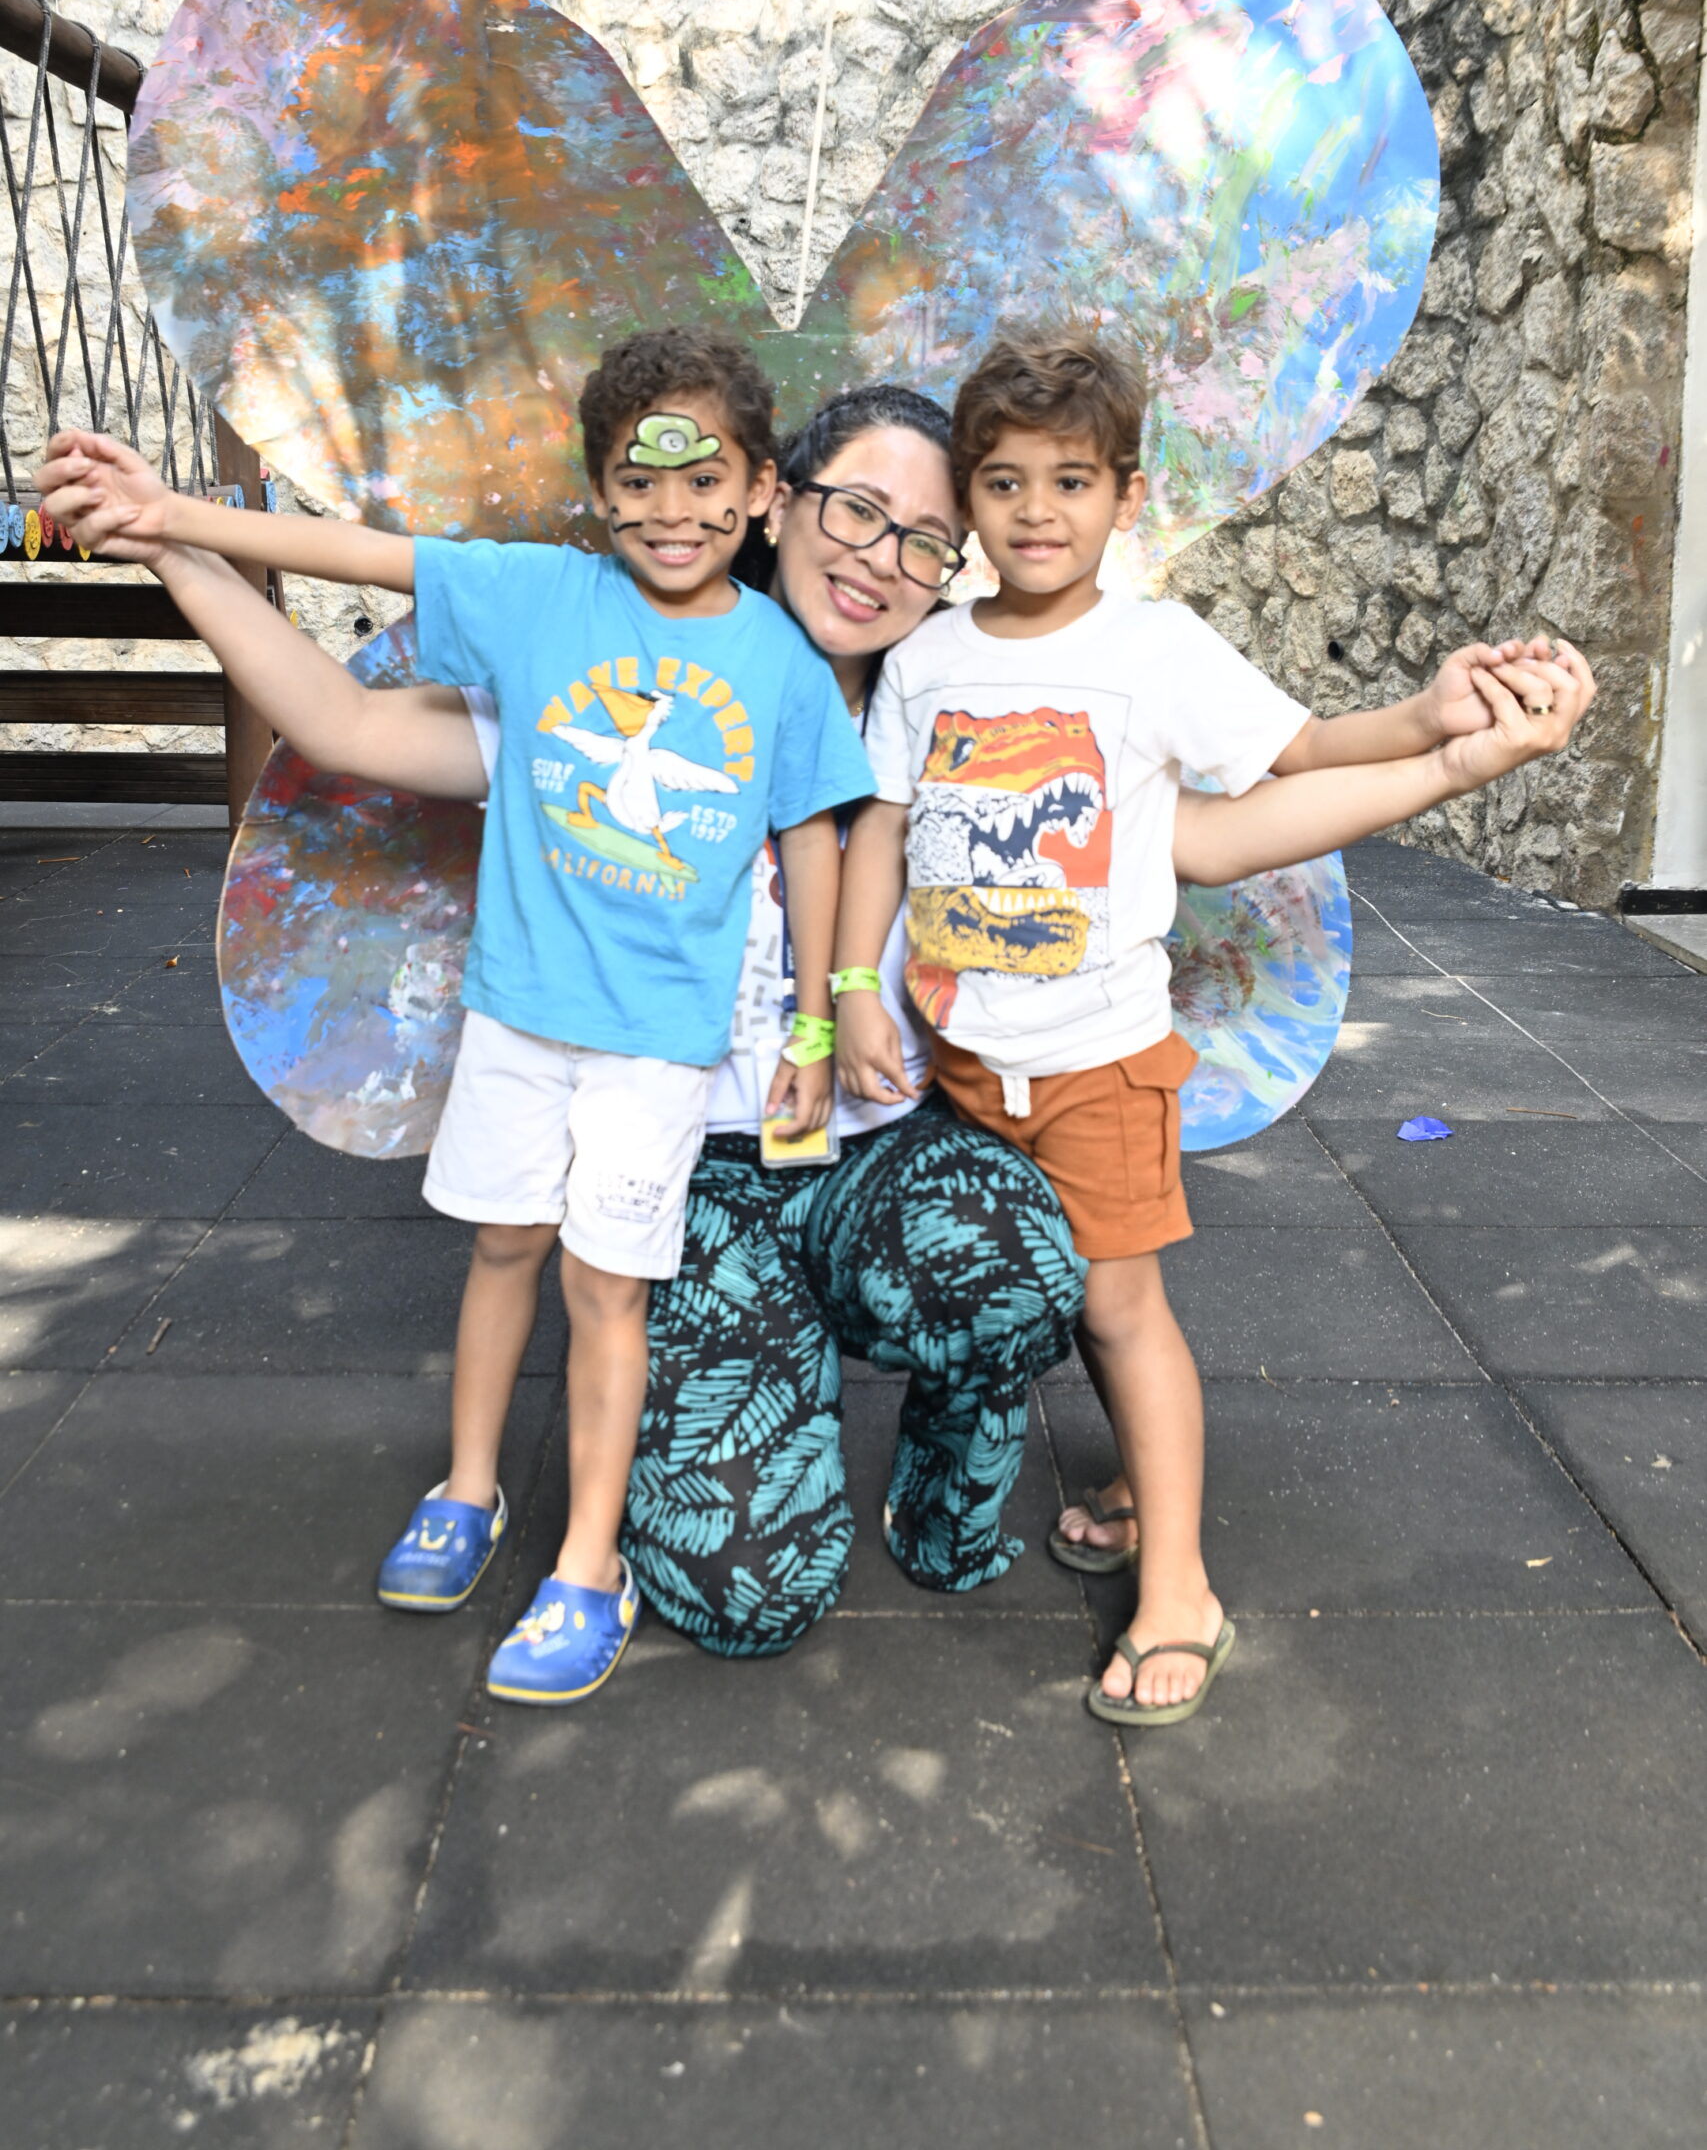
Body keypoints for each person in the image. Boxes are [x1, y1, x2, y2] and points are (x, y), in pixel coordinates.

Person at [44, 377, 1572, 1670]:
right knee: (744, 1596)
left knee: (1026, 1261)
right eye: (856, 510)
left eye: (926, 538)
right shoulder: (622, 682)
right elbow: (339, 720)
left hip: (871, 1155)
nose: (882, 557)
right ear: (779, 503)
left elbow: (1214, 831)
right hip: (694, 1169)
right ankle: (739, 1396)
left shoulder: (955, 714)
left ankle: (948, 1457)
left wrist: (1443, 751)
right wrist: (174, 544)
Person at [50, 328, 872, 1706]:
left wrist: (816, 1026)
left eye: (704, 480)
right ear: (598, 491)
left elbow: (812, 837)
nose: (672, 511)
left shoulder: (782, 665)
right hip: (517, 1021)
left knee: (607, 1289)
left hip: (658, 1048)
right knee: (503, 1247)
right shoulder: (544, 597)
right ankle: (470, 1487)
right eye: (639, 480)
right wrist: (170, 523)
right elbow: (362, 556)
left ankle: (588, 1564)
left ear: (760, 492)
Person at [834, 325, 1596, 1726]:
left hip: (1099, 1066)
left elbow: (1297, 751)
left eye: (1072, 480)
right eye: (1004, 482)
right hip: (963, 1065)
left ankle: (1179, 1585)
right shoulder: (929, 657)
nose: (1038, 512)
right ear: (970, 498)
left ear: (1127, 496)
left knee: (1119, 1310)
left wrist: (1436, 722)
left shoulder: (1155, 649)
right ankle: (1141, 1480)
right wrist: (845, 994)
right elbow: (883, 826)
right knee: (1054, 1294)